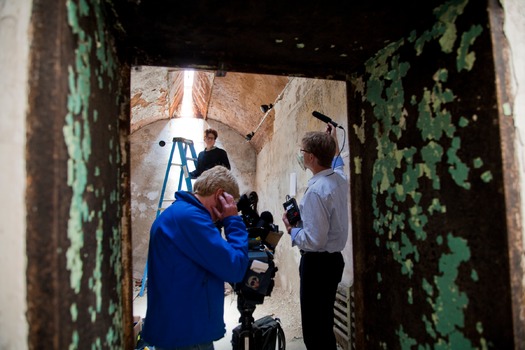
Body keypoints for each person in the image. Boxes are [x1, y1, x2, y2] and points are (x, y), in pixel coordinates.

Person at [142, 165, 249, 350]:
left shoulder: (180, 212)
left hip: (181, 326)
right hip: (188, 333)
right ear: (220, 196)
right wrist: (232, 220)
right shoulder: (191, 218)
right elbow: (235, 268)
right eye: (229, 203)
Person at [282, 123, 348, 350]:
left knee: (314, 330)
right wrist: (331, 140)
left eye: (302, 152)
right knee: (324, 321)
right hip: (333, 262)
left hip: (317, 265)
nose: (300, 156)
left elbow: (314, 240)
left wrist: (292, 229)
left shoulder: (316, 192)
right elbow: (338, 162)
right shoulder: (339, 179)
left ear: (310, 157)